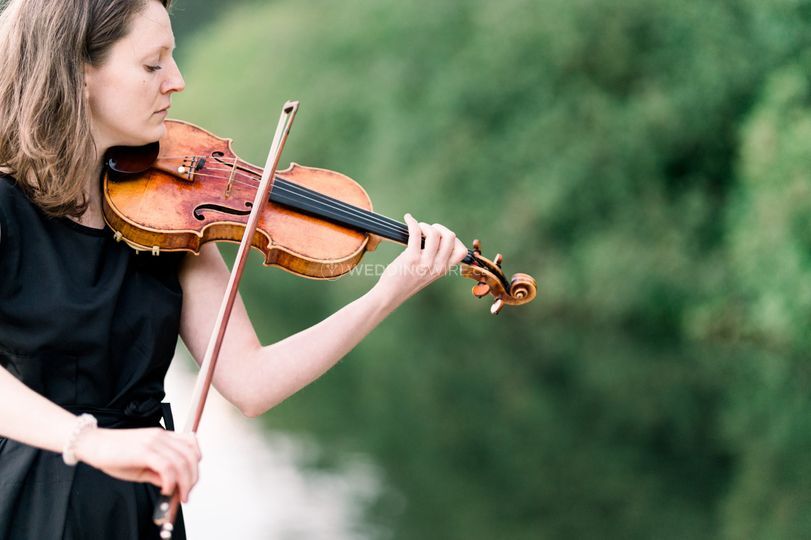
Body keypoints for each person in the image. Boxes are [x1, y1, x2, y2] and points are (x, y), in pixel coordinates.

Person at [0, 0, 467, 538]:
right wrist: (91, 439)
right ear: (77, 74)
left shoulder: (171, 213)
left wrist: (387, 291)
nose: (176, 81)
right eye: (153, 65)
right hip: (32, 499)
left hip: (139, 506)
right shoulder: (7, 208)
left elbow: (252, 382)